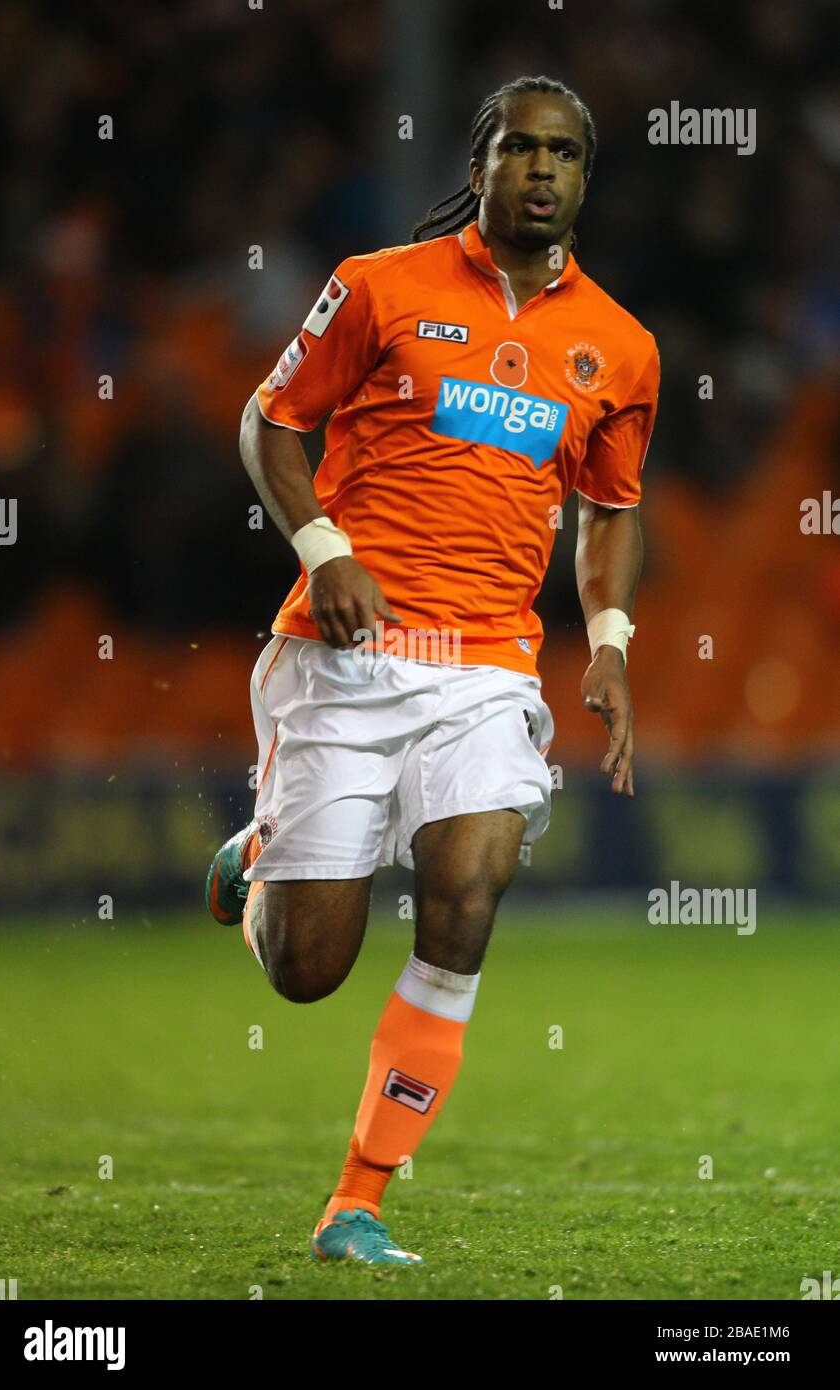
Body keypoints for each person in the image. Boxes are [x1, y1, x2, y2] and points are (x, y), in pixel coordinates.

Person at [205, 75, 660, 1267]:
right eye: (520, 148)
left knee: (469, 890)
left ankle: (354, 1201)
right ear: (480, 163)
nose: (542, 171)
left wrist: (606, 641)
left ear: (583, 176)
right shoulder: (376, 286)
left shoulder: (619, 346)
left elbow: (609, 510)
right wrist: (324, 549)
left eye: (564, 153)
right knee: (308, 970)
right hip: (343, 655)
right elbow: (269, 421)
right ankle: (261, 857)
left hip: (486, 669)